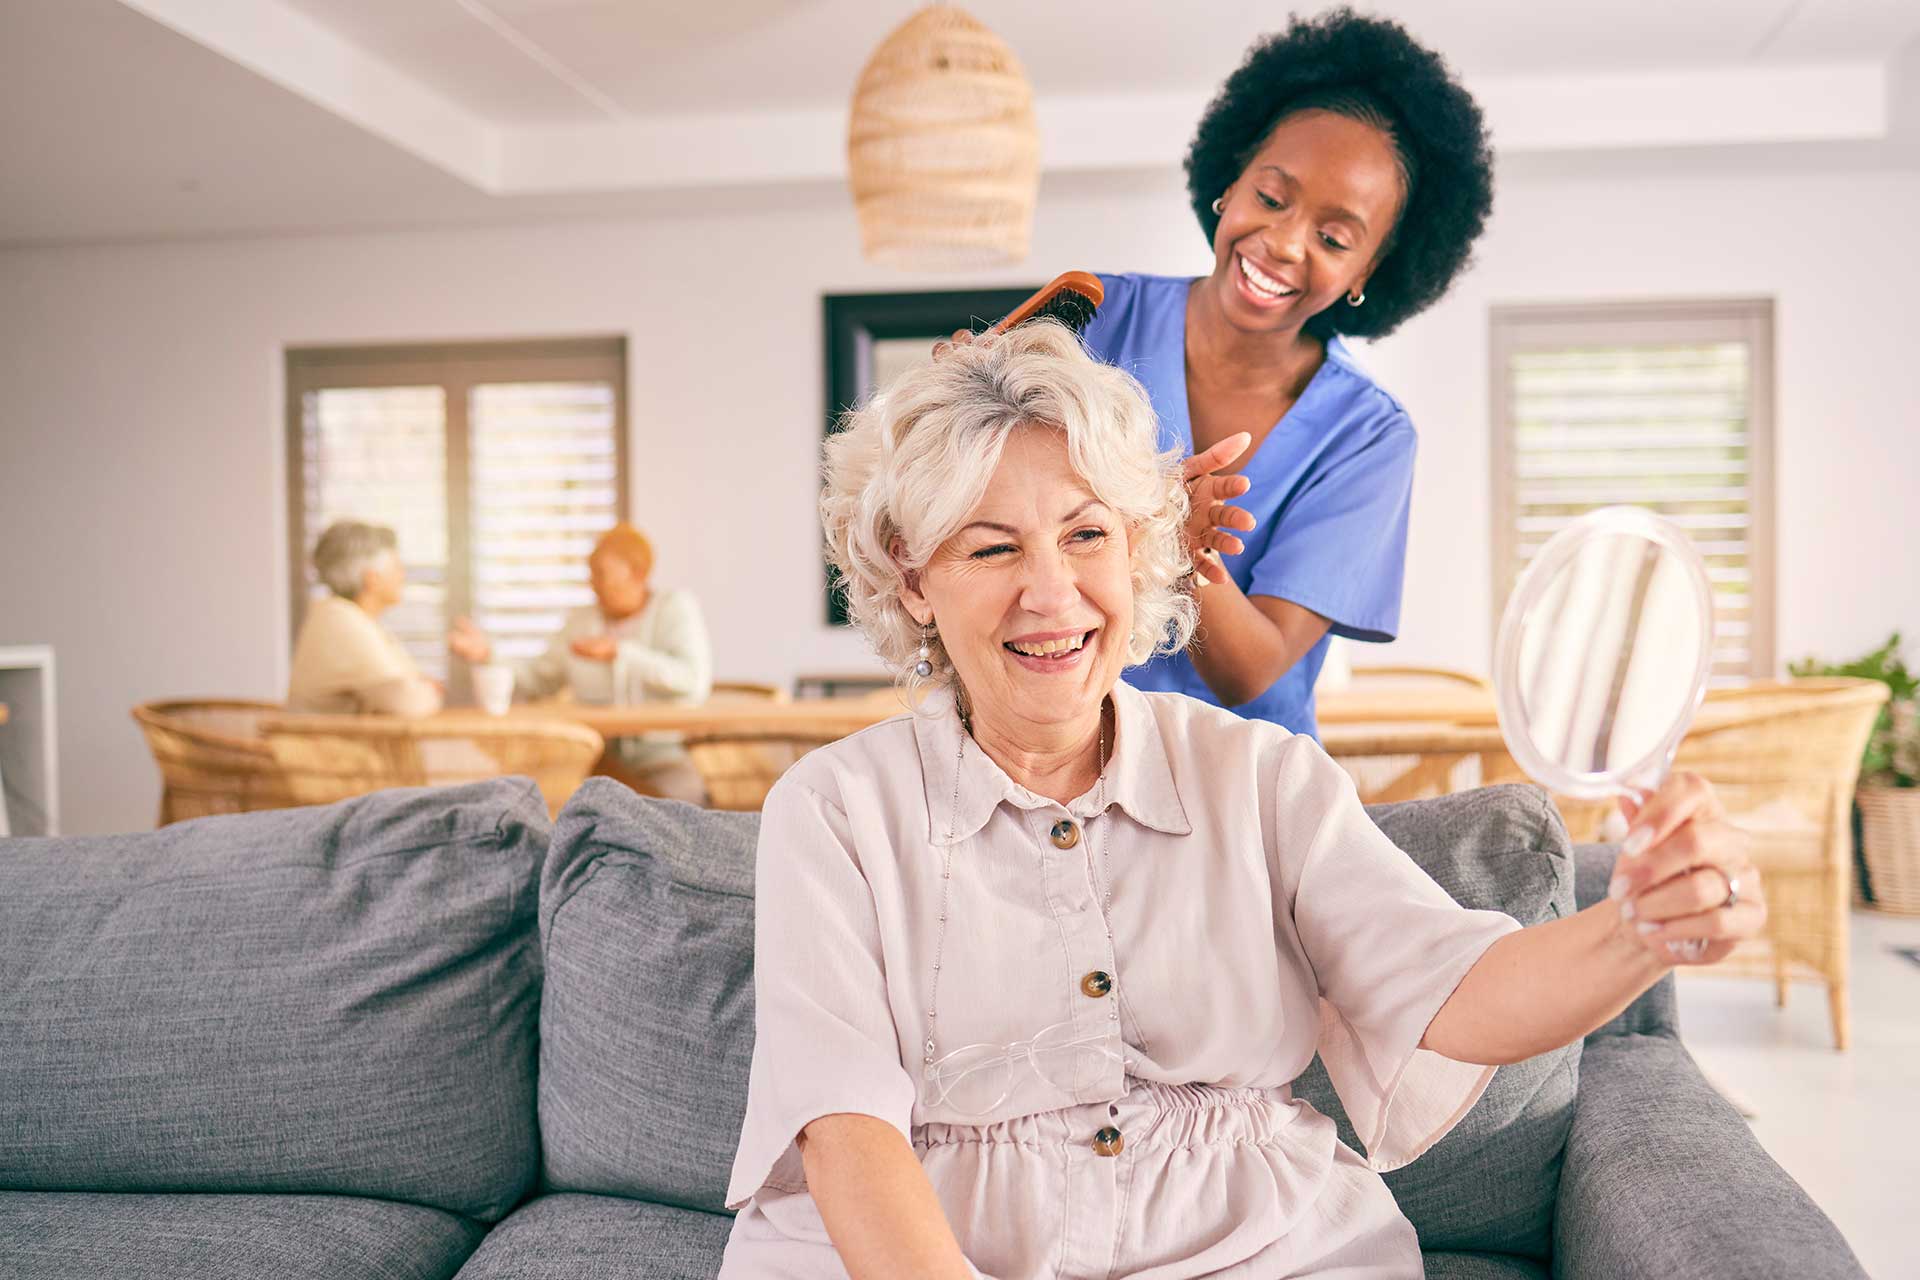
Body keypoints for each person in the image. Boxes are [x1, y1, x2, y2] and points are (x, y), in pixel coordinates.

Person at [719, 324, 1764, 1279]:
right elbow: (844, 1126)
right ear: (912, 580)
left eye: (1087, 534)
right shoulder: (836, 809)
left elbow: (1458, 992)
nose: (1052, 592)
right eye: (992, 547)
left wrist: (1638, 926)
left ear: (1138, 548)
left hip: (1256, 1250)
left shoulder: (1260, 775)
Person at [1080, 10, 1496, 737]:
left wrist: (1172, 544)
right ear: (1230, 182)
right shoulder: (1094, 317)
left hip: (1235, 793)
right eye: (1270, 198)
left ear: (1370, 271)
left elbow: (1249, 671)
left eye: (1333, 237)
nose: (1281, 243)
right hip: (1043, 762)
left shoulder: (1367, 438)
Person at [449, 522, 712, 803]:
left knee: (686, 802)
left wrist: (620, 652)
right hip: (594, 759)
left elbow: (693, 681)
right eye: (591, 574)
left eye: (602, 574)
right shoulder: (581, 622)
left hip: (661, 757)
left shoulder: (674, 608)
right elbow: (540, 677)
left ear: (638, 573)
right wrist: (489, 654)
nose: (593, 584)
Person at [287, 520, 443, 716]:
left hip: (340, 744)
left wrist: (420, 687)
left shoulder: (353, 618)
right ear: (372, 578)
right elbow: (408, 702)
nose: (403, 575)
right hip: (324, 746)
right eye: (396, 567)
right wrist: (429, 690)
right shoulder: (340, 621)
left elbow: (408, 684)